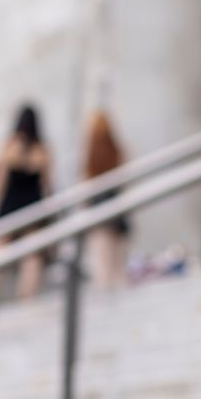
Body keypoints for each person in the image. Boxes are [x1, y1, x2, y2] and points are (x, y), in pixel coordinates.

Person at [0, 104, 53, 302]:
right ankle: (27, 299)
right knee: (31, 258)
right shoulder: (41, 150)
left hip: (10, 209)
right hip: (33, 210)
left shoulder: (9, 146)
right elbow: (46, 184)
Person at [82, 110, 130, 291]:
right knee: (117, 268)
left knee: (102, 268)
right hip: (117, 214)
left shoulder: (91, 154)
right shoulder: (117, 151)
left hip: (98, 214)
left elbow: (86, 185)